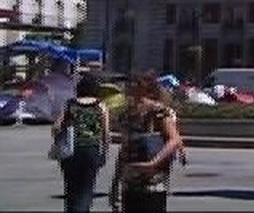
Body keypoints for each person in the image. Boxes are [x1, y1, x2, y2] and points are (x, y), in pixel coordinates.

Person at [111, 73, 183, 213]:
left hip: (152, 180)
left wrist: (153, 163)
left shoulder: (158, 111)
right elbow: (124, 147)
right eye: (129, 84)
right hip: (129, 180)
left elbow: (174, 140)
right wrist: (115, 184)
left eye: (134, 84)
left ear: (146, 88)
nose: (128, 87)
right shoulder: (127, 114)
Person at [53, 72, 110, 213]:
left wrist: (60, 140)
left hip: (71, 149)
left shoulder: (70, 104)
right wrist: (104, 153)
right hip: (91, 149)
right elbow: (106, 133)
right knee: (86, 189)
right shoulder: (100, 106)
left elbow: (56, 127)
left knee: (71, 188)